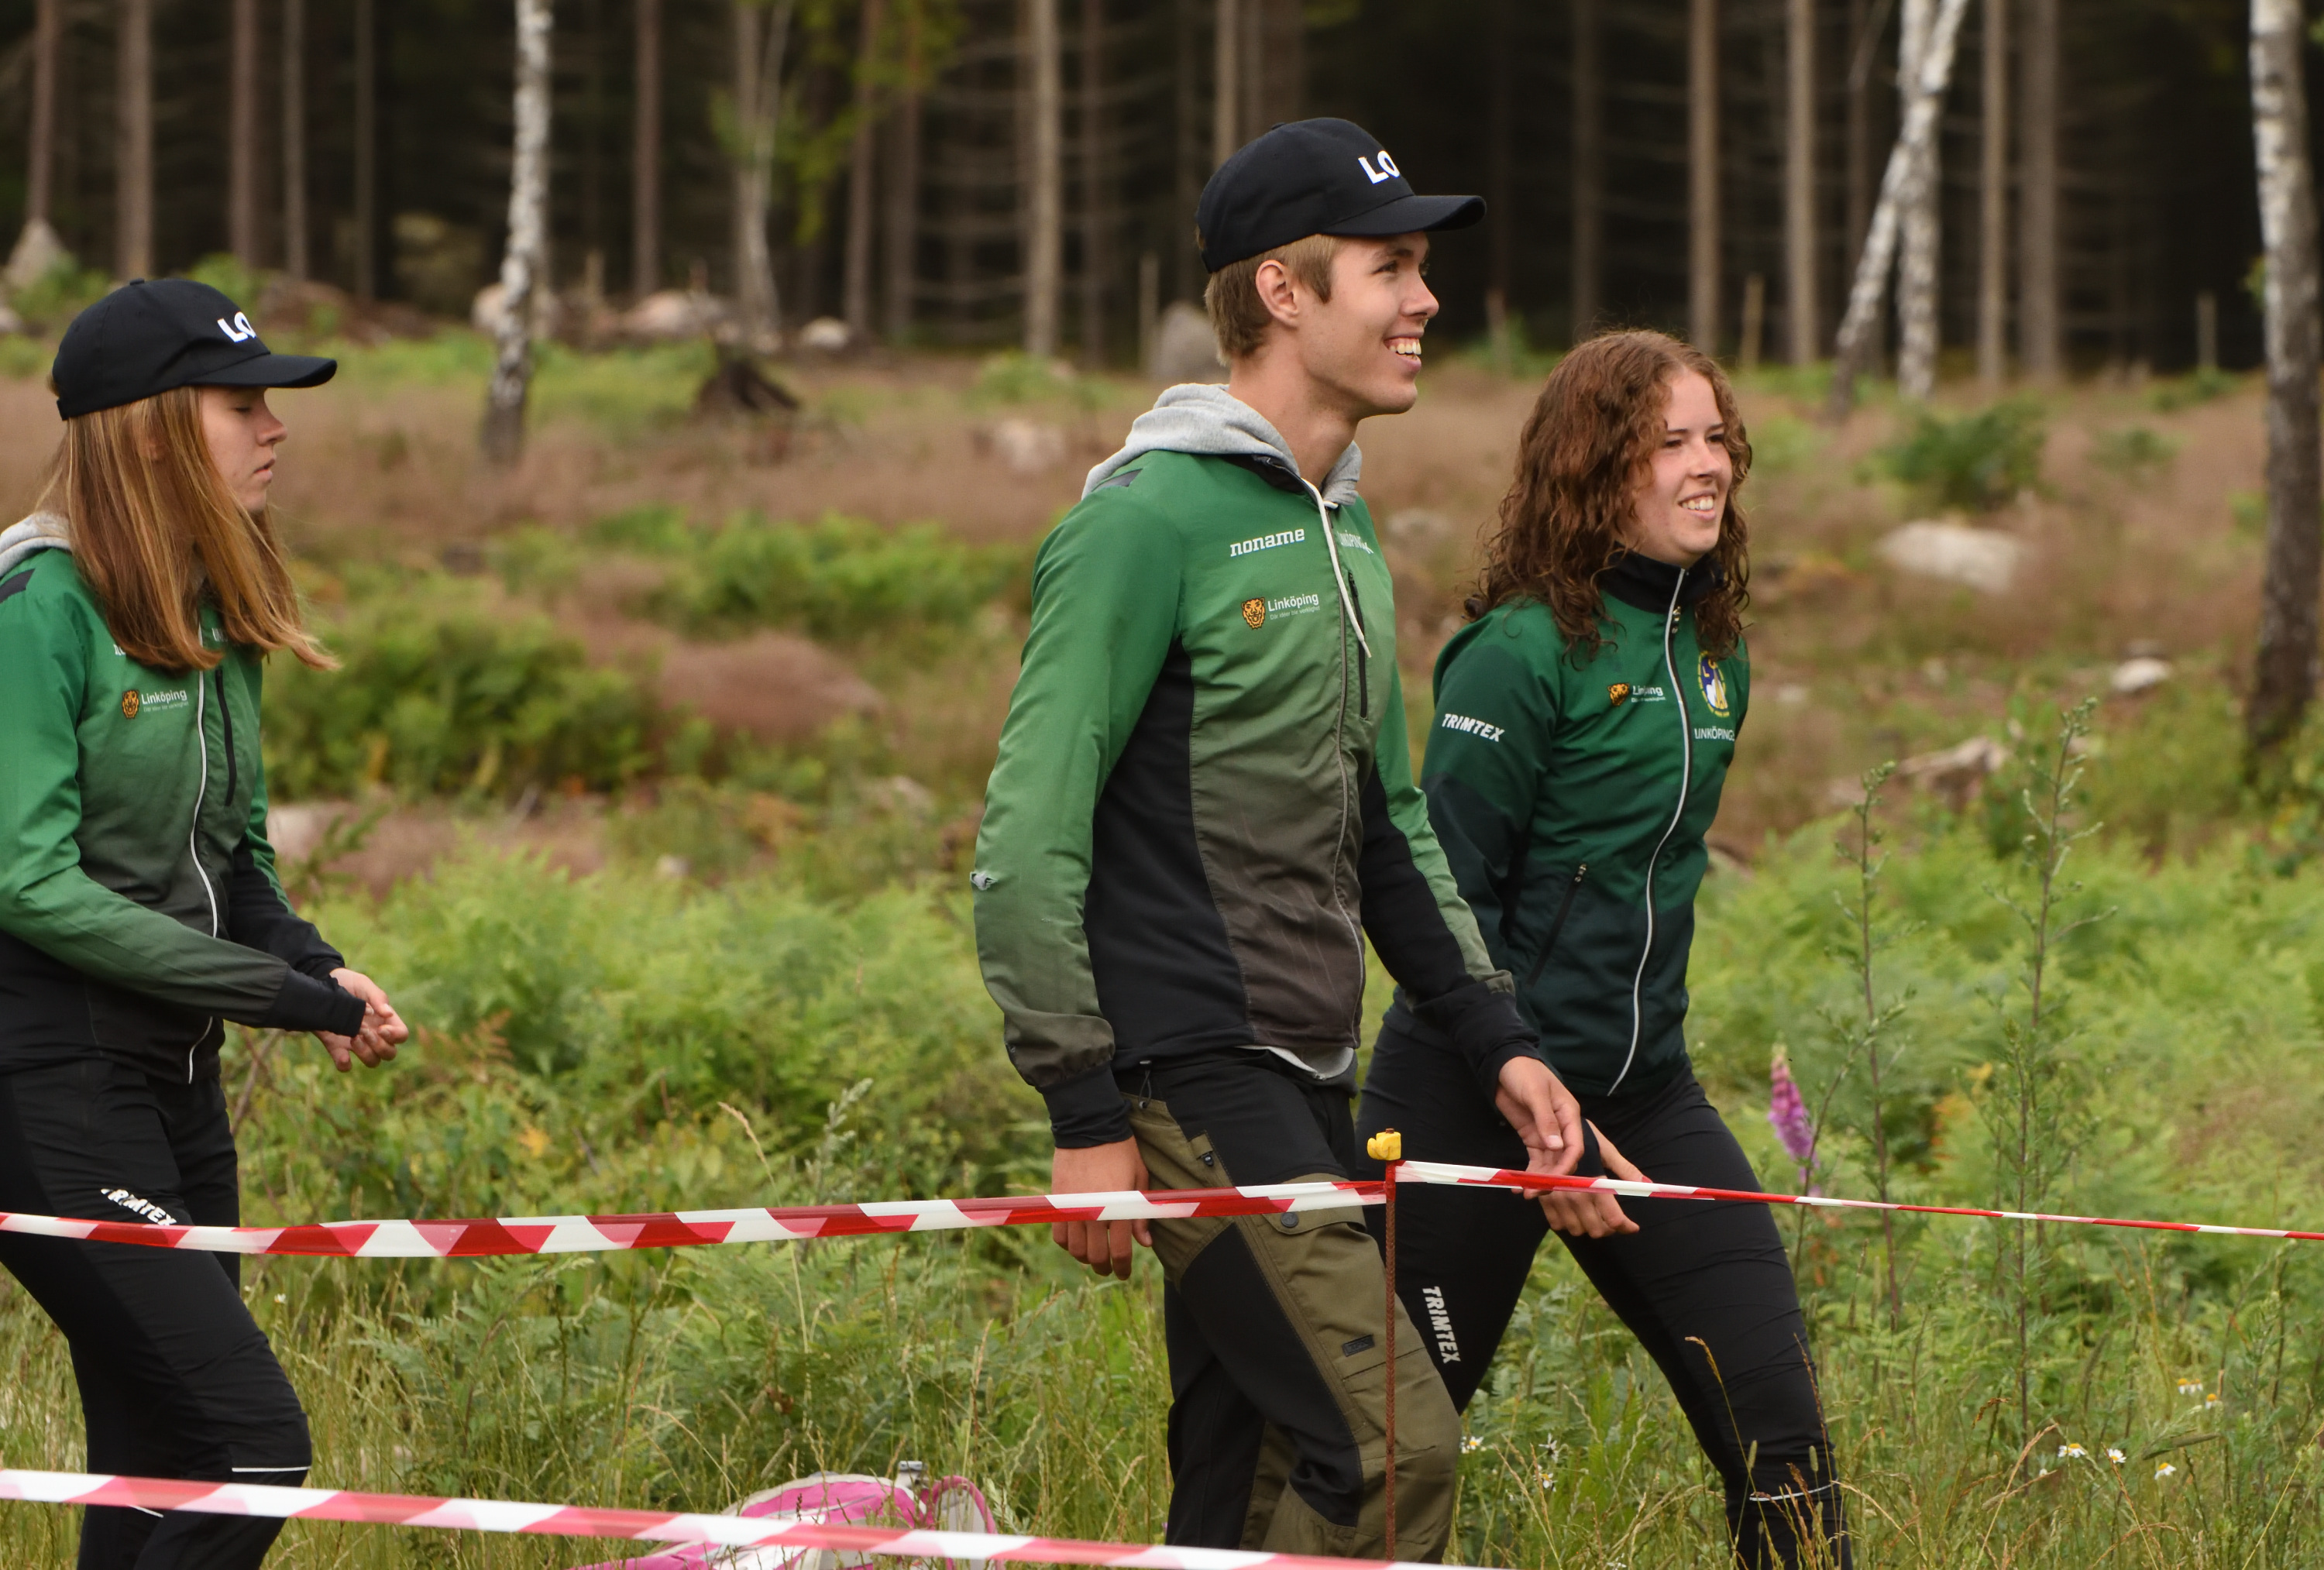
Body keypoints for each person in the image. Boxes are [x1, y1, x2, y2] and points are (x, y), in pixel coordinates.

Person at [972, 119, 1632, 1560]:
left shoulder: (1341, 524)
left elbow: (1386, 821)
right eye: (1390, 269)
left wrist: (1500, 1040)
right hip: (1192, 1067)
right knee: (1393, 1446)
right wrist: (1085, 1115)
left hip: (1311, 1065)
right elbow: (1025, 838)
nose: (1425, 301)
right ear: (1283, 290)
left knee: (1249, 1484)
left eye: (1420, 268)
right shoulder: (1145, 522)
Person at [1353, 330, 1849, 1568]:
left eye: (1716, 437)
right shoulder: (1518, 654)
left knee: (1784, 1442)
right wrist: (1526, 1092)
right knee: (1379, 1462)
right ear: (1593, 467)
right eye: (1668, 443)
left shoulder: (1711, 649)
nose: (1707, 465)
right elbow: (1440, 899)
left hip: (1642, 1094)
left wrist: (1587, 1102)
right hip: (1470, 1098)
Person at [0, 278, 408, 1570]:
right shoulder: (38, 607)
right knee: (251, 1448)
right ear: (154, 429)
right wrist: (276, 995)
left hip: (179, 1082)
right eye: (243, 406)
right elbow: (26, 885)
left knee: (164, 1447)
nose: (275, 428)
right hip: (51, 1088)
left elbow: (232, 856)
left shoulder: (212, 604)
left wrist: (314, 962)